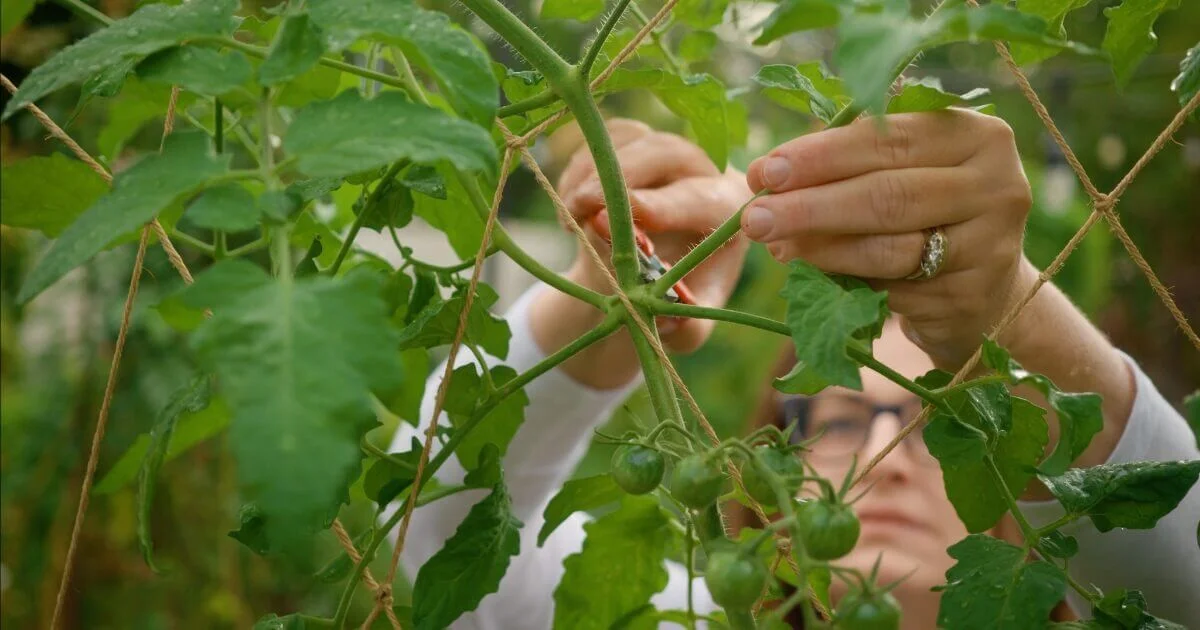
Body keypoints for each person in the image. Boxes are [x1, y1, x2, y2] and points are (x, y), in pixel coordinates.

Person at [389, 112, 1200, 628]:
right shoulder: (675, 617)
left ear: (1021, 504)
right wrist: (610, 303)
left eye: (941, 431)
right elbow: (434, 537)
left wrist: (1012, 309)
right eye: (844, 418)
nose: (882, 468)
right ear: (780, 457)